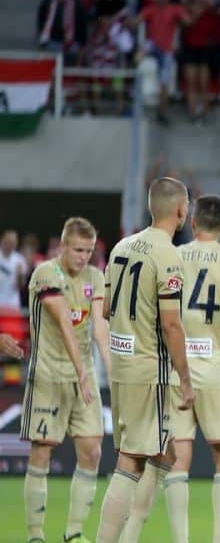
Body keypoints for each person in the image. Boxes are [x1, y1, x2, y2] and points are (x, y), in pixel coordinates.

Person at [121, 195, 220, 543]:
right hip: (216, 371)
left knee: (176, 459)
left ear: (192, 223)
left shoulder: (172, 255)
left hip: (177, 369)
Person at [95, 178, 195, 543]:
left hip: (122, 366)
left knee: (164, 453)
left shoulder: (122, 247)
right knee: (132, 460)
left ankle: (131, 534)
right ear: (181, 210)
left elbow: (106, 309)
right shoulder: (168, 255)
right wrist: (186, 378)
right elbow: (171, 324)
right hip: (148, 368)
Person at [20, 218, 108, 543]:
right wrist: (82, 371)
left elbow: (99, 327)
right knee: (41, 452)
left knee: (92, 452)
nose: (83, 257)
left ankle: (74, 532)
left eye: (88, 251)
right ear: (63, 246)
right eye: (78, 250)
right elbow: (64, 324)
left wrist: (112, 371)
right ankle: (35, 534)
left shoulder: (95, 277)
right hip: (49, 375)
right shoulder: (45, 273)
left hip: (83, 377)